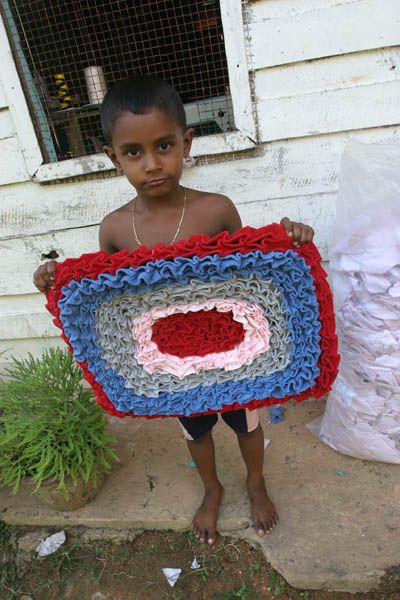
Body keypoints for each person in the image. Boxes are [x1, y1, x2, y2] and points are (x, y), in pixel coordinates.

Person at [34, 76, 314, 545]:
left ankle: (255, 482)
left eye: (164, 146)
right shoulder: (115, 228)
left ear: (186, 143)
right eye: (133, 152)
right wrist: (53, 278)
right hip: (170, 363)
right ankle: (212, 489)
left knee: (245, 422)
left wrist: (288, 241)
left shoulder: (216, 209)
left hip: (231, 352)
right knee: (195, 431)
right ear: (112, 157)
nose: (152, 164)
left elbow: (250, 277)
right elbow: (105, 299)